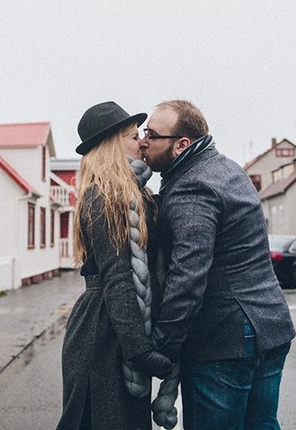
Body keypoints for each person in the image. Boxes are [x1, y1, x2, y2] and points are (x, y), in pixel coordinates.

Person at [140, 99, 296, 430]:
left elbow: (188, 276)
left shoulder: (191, 188)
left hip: (225, 340)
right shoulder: (228, 170)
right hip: (271, 327)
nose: (143, 140)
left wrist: (163, 346)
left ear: (182, 144)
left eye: (151, 134)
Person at [57, 101, 174, 430]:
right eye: (133, 136)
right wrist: (140, 351)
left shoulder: (136, 195)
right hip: (104, 333)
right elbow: (118, 279)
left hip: (118, 328)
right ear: (111, 146)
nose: (142, 142)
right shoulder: (103, 196)